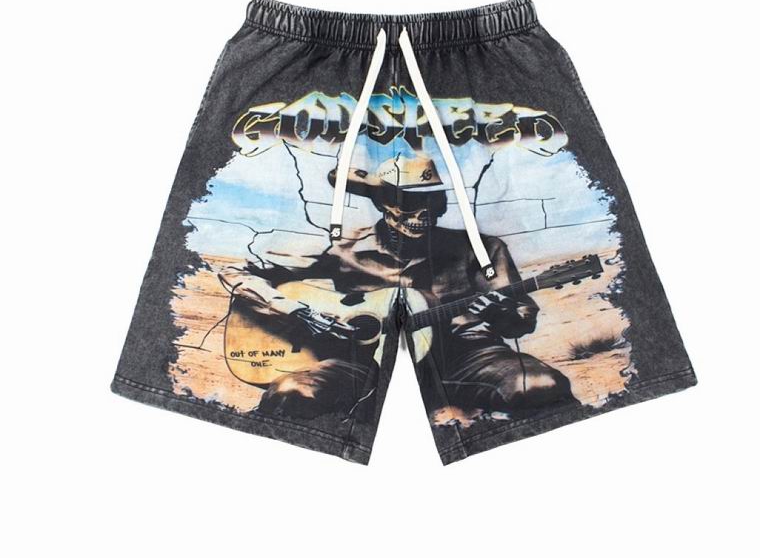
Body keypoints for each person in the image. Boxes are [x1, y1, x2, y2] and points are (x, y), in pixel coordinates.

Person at [220, 155, 575, 420]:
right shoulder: (341, 247)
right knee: (289, 394)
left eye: (432, 201)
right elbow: (239, 272)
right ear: (381, 203)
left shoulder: (482, 249)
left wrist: (500, 314)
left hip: (465, 358)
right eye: (409, 202)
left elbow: (521, 316)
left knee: (541, 388)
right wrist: (298, 311)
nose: (422, 213)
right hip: (359, 361)